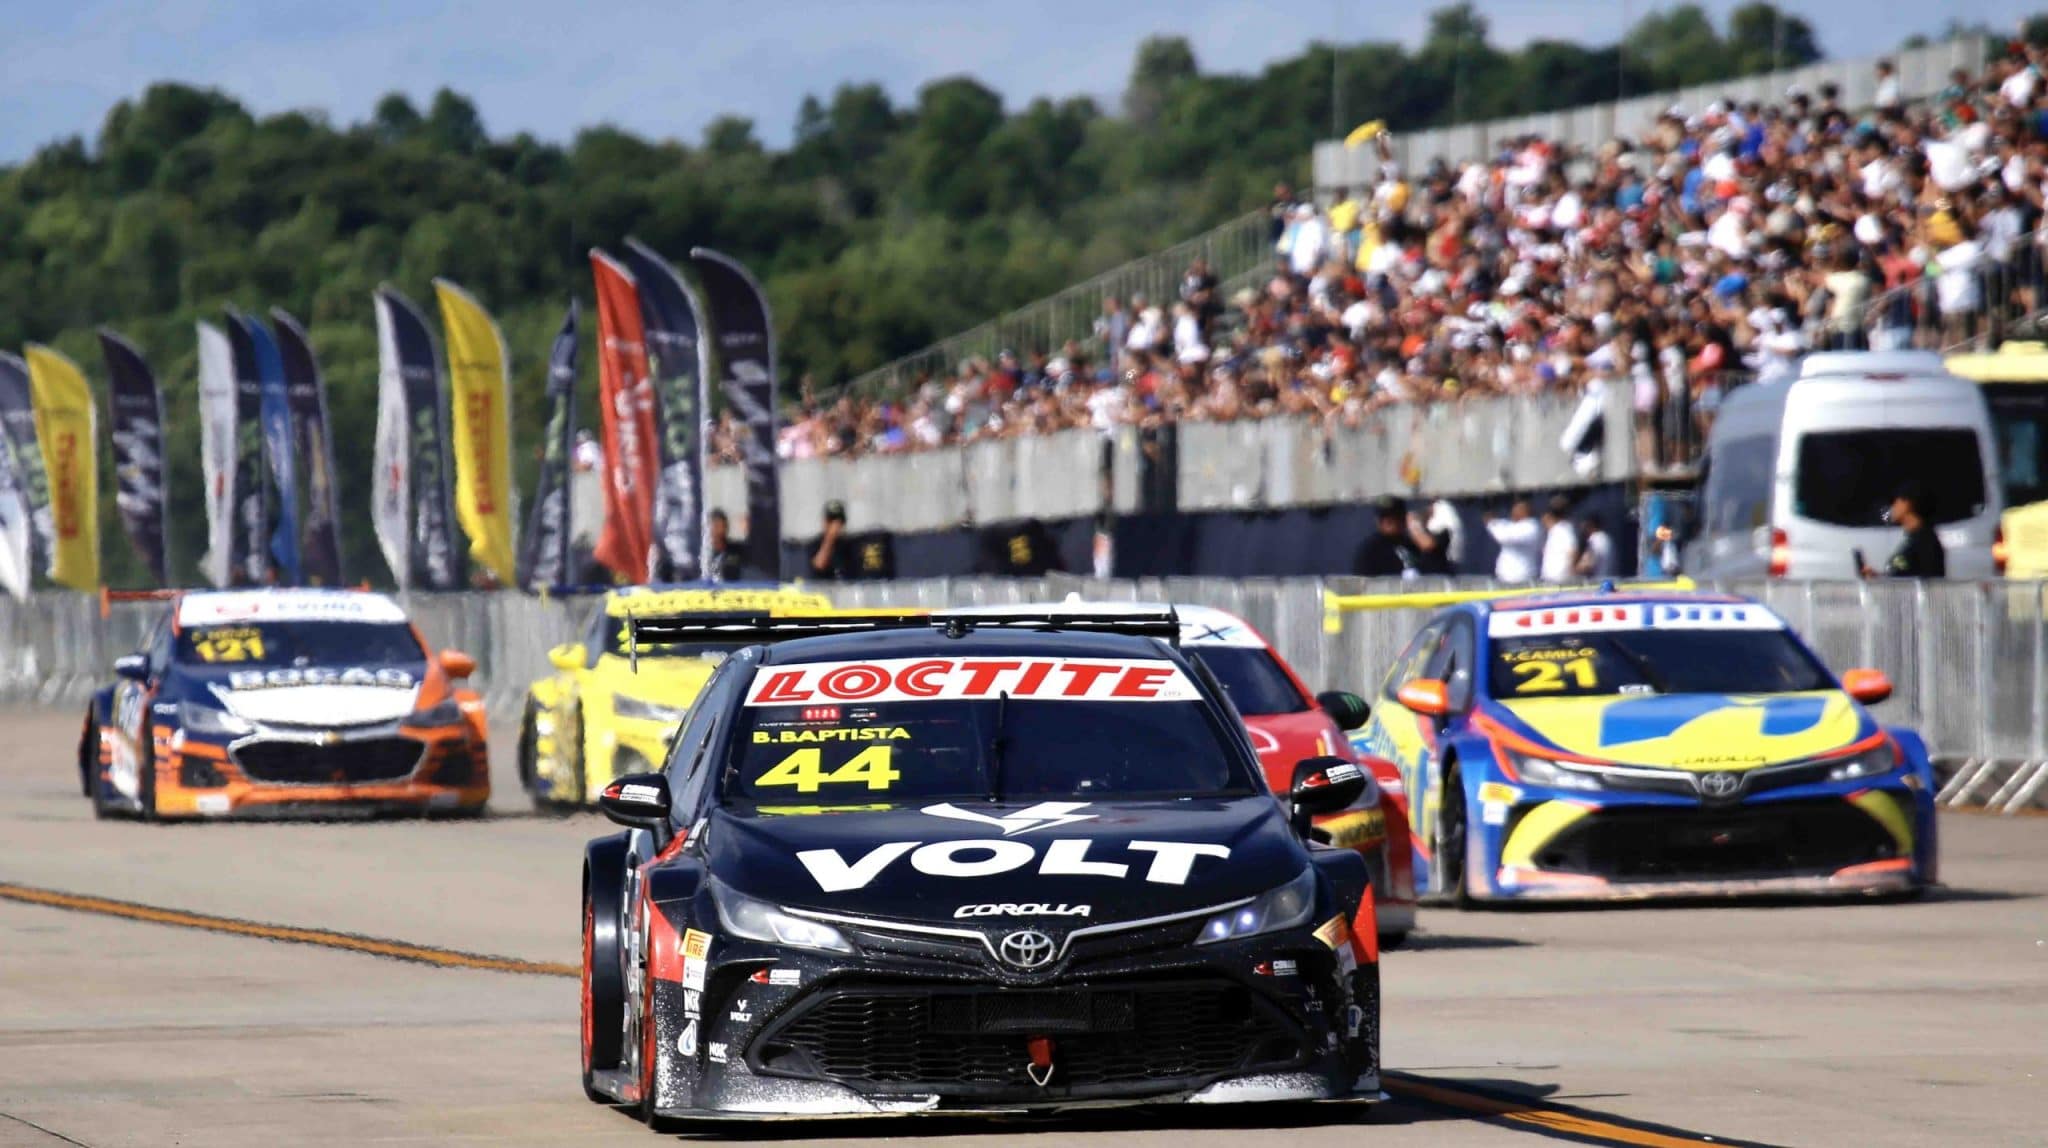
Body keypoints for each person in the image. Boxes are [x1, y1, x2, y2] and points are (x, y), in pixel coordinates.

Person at [1863, 482, 1946, 578]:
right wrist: (1878, 577)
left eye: (1895, 502)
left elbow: (1929, 583)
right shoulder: (1914, 541)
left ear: (1907, 504)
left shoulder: (1925, 541)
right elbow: (1903, 575)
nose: (1892, 507)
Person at [1354, 496, 1418, 577]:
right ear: (1378, 521)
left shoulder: (1413, 545)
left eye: (1395, 517)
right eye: (1384, 518)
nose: (1389, 522)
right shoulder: (1370, 550)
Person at [1485, 499, 1542, 583]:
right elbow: (1503, 524)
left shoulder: (1531, 527)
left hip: (1522, 577)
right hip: (1506, 578)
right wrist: (1492, 520)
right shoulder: (1515, 525)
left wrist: (1490, 524)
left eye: (1516, 509)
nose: (1513, 512)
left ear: (1525, 511)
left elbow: (1503, 537)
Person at [809, 500, 855, 580]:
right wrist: (829, 538)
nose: (835, 526)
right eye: (830, 521)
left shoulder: (848, 544)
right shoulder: (816, 543)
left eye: (839, 522)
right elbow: (819, 565)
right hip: (822, 588)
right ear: (824, 522)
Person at [1539, 495, 1579, 583]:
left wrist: (1571, 571)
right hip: (1550, 577)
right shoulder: (1554, 529)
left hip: (1560, 579)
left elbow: (1573, 551)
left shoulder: (1565, 529)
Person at [705, 508, 744, 582]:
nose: (718, 530)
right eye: (715, 526)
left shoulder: (737, 550)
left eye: (721, 526)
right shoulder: (703, 553)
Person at [1574, 514, 1616, 579]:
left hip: (1597, 582)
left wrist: (1572, 571)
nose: (1582, 529)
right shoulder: (1606, 538)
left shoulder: (1595, 539)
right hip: (1609, 578)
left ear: (1590, 525)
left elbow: (1588, 564)